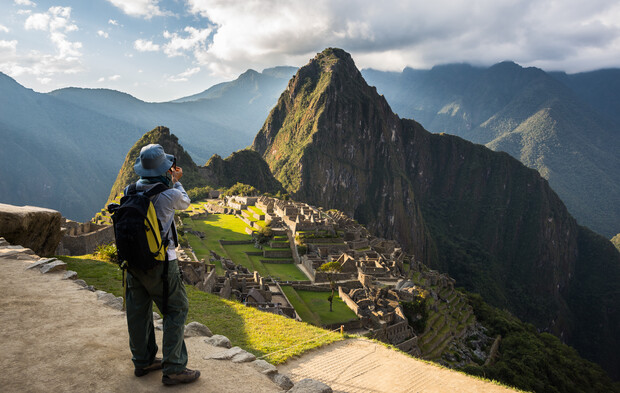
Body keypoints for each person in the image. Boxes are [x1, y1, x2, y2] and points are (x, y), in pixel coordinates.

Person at [125, 143, 200, 385]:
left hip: (133, 262)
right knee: (176, 309)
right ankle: (174, 367)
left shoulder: (129, 191)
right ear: (165, 169)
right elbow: (185, 201)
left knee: (138, 311)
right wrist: (176, 180)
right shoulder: (171, 194)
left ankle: (143, 360)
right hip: (161, 263)